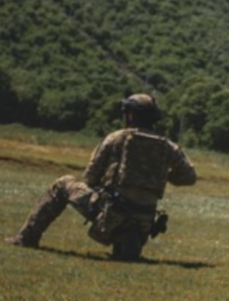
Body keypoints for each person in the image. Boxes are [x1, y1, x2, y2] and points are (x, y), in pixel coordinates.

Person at [5, 94, 197, 261]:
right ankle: (126, 241)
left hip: (111, 214)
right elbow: (189, 176)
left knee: (63, 184)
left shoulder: (116, 138)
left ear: (130, 115)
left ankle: (26, 237)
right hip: (144, 222)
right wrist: (161, 175)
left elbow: (90, 178)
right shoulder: (168, 146)